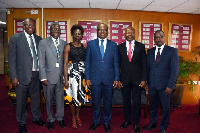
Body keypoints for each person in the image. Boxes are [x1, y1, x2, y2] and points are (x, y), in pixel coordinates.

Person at [8, 18, 46, 133]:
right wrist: (13, 76)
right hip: (21, 75)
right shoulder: (15, 38)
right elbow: (12, 58)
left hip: (36, 74)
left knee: (35, 99)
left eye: (33, 25)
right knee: (21, 101)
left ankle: (36, 118)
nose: (31, 27)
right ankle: (22, 122)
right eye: (28, 25)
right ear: (23, 26)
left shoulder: (39, 39)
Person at [85, 23, 119, 132]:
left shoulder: (113, 45)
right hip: (94, 79)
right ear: (97, 31)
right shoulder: (90, 44)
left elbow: (116, 63)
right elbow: (87, 62)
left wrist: (117, 78)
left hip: (109, 79)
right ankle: (96, 121)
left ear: (107, 31)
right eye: (100, 30)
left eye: (104, 30)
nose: (102, 32)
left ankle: (107, 122)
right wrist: (87, 77)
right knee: (95, 102)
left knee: (108, 102)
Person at [143, 30, 179, 133]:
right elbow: (147, 68)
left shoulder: (172, 51)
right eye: (156, 37)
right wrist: (147, 83)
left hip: (165, 86)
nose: (158, 39)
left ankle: (163, 127)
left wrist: (170, 86)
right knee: (152, 107)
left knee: (165, 108)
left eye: (160, 36)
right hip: (152, 85)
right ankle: (153, 123)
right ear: (154, 39)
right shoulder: (149, 51)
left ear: (164, 37)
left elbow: (174, 70)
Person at [117, 26, 147, 133]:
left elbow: (144, 64)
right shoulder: (119, 47)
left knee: (137, 102)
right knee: (126, 102)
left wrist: (144, 79)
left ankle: (136, 123)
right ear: (124, 34)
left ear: (135, 33)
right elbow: (117, 65)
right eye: (127, 32)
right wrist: (118, 79)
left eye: (132, 32)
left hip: (137, 80)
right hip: (124, 79)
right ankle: (127, 121)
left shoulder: (141, 46)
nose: (130, 34)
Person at [38, 22, 66, 130]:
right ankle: (50, 119)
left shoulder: (63, 43)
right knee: (48, 100)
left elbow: (65, 61)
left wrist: (64, 76)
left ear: (60, 31)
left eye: (57, 29)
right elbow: (41, 61)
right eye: (53, 28)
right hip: (48, 77)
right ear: (50, 30)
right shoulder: (43, 42)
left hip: (60, 77)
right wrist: (43, 77)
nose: (55, 30)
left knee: (60, 100)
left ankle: (60, 118)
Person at [63, 24, 87, 129]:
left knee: (79, 97)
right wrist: (66, 79)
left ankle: (78, 116)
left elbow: (86, 62)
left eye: (79, 33)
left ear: (82, 35)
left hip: (81, 75)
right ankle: (73, 117)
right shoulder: (68, 46)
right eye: (75, 33)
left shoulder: (84, 47)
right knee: (71, 98)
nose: (77, 35)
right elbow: (65, 63)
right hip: (71, 75)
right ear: (72, 34)